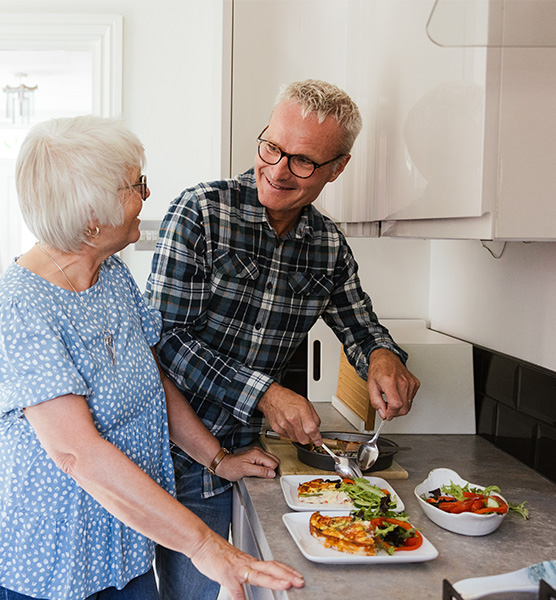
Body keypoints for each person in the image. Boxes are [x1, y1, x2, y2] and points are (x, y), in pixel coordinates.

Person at [0, 115, 305, 600]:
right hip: (40, 556)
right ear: (92, 216)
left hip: (118, 538)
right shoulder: (21, 305)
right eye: (136, 185)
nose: (148, 193)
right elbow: (77, 452)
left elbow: (151, 379)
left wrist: (217, 460)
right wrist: (204, 545)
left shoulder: (111, 274)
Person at [146, 79, 421, 600]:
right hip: (166, 452)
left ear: (337, 168)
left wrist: (383, 357)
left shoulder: (327, 246)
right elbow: (165, 341)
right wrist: (265, 394)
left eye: (302, 161)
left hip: (245, 457)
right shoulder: (200, 213)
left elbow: (360, 325)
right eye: (271, 147)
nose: (276, 170)